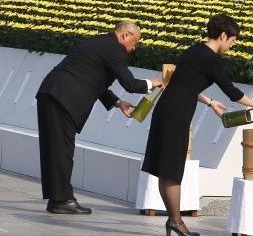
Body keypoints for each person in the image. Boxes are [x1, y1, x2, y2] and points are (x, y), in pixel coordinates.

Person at [142, 14, 253, 236]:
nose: (232, 45)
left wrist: (209, 102)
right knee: (171, 170)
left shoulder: (195, 50)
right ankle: (176, 221)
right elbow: (232, 92)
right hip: (175, 114)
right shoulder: (211, 58)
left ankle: (174, 220)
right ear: (223, 35)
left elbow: (185, 83)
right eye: (232, 40)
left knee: (166, 169)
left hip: (167, 110)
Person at [36, 22, 162, 214]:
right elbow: (129, 83)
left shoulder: (101, 43)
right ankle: (62, 200)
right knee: (62, 150)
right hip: (63, 98)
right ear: (126, 35)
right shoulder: (115, 49)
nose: (133, 48)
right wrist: (152, 83)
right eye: (135, 42)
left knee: (53, 149)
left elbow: (93, 80)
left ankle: (57, 199)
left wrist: (118, 103)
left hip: (52, 94)